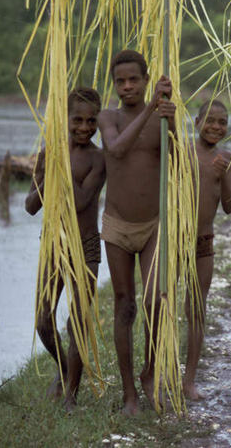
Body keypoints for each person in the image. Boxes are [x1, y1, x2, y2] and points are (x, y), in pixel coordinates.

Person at [97, 49, 176, 415]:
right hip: (116, 225)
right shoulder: (108, 117)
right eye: (121, 81)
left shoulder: (160, 117)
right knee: (125, 305)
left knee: (155, 302)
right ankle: (129, 393)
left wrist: (169, 120)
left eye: (134, 80)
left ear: (146, 80)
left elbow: (175, 159)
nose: (127, 86)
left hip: (153, 224)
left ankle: (149, 372)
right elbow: (115, 150)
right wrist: (150, 110)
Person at [25, 87, 106, 411]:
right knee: (43, 321)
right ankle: (62, 369)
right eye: (77, 120)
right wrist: (51, 170)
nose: (84, 127)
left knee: (78, 321)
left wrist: (63, 169)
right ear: (66, 119)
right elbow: (31, 205)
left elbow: (83, 200)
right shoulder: (49, 153)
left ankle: (71, 394)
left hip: (85, 247)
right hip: (53, 245)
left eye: (91, 121)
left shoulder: (99, 158)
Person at [183, 100, 231, 400]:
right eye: (210, 120)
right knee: (161, 306)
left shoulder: (226, 158)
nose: (216, 127)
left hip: (204, 244)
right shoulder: (182, 152)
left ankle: (189, 379)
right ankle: (154, 371)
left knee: (197, 310)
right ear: (197, 122)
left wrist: (225, 174)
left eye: (222, 122)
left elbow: (230, 207)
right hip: (175, 242)